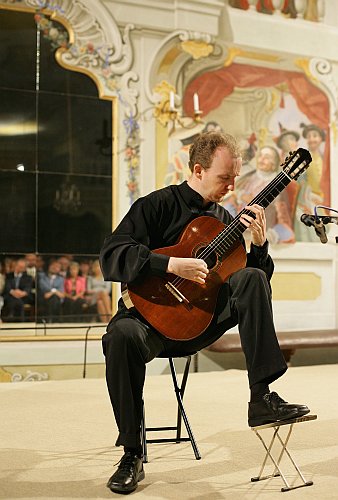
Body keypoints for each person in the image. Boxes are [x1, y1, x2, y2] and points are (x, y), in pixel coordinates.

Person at [99, 131, 310, 495]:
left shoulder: (224, 220)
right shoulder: (155, 205)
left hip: (201, 321)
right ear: (198, 169)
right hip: (149, 322)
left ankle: (261, 398)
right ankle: (132, 453)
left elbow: (254, 285)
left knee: (253, 278)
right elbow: (111, 256)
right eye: (224, 178)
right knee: (120, 336)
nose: (231, 186)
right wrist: (170, 265)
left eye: (234, 177)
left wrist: (259, 247)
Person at [224, 145, 295, 244]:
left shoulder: (278, 184)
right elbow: (233, 199)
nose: (262, 159)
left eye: (266, 157)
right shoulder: (247, 178)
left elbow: (282, 217)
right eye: (260, 156)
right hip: (238, 231)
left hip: (260, 230)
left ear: (274, 163)